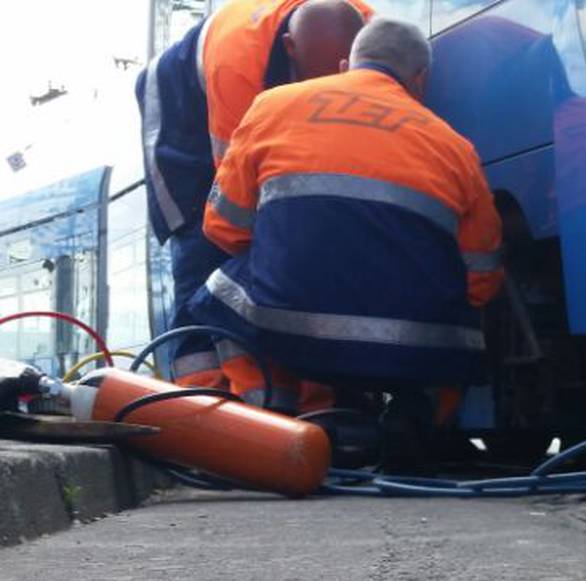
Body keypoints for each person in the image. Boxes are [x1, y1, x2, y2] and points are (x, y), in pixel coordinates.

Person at [190, 17, 504, 417]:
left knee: (218, 289)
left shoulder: (274, 105)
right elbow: (483, 279)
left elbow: (223, 228)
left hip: (291, 332)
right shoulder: (456, 147)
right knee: (459, 324)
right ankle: (418, 425)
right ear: (420, 79)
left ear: (345, 66)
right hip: (415, 351)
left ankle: (272, 418)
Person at [137, 0, 372, 391]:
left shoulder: (371, 30)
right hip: (183, 116)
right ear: (290, 48)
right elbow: (234, 185)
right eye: (312, 80)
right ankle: (201, 388)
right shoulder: (237, 68)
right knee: (203, 237)